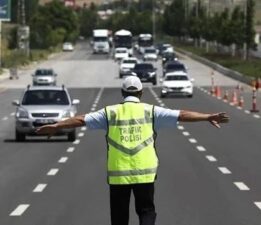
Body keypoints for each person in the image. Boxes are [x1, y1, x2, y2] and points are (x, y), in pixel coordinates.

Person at [36, 76, 229, 225]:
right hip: (145, 173)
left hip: (118, 175)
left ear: (122, 92)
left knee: (119, 217)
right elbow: (182, 115)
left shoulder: (109, 113)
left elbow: (80, 119)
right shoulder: (151, 111)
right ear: (141, 92)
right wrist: (207, 116)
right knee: (146, 211)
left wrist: (56, 126)